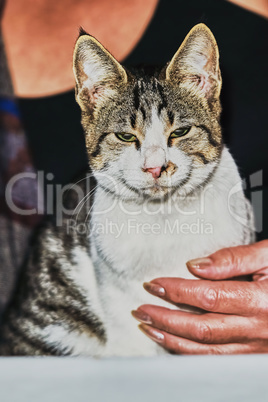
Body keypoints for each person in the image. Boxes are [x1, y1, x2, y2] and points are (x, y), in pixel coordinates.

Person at [0, 0, 267, 353]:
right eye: (127, 137)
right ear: (91, 97)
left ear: (207, 85)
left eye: (178, 134)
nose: (155, 165)